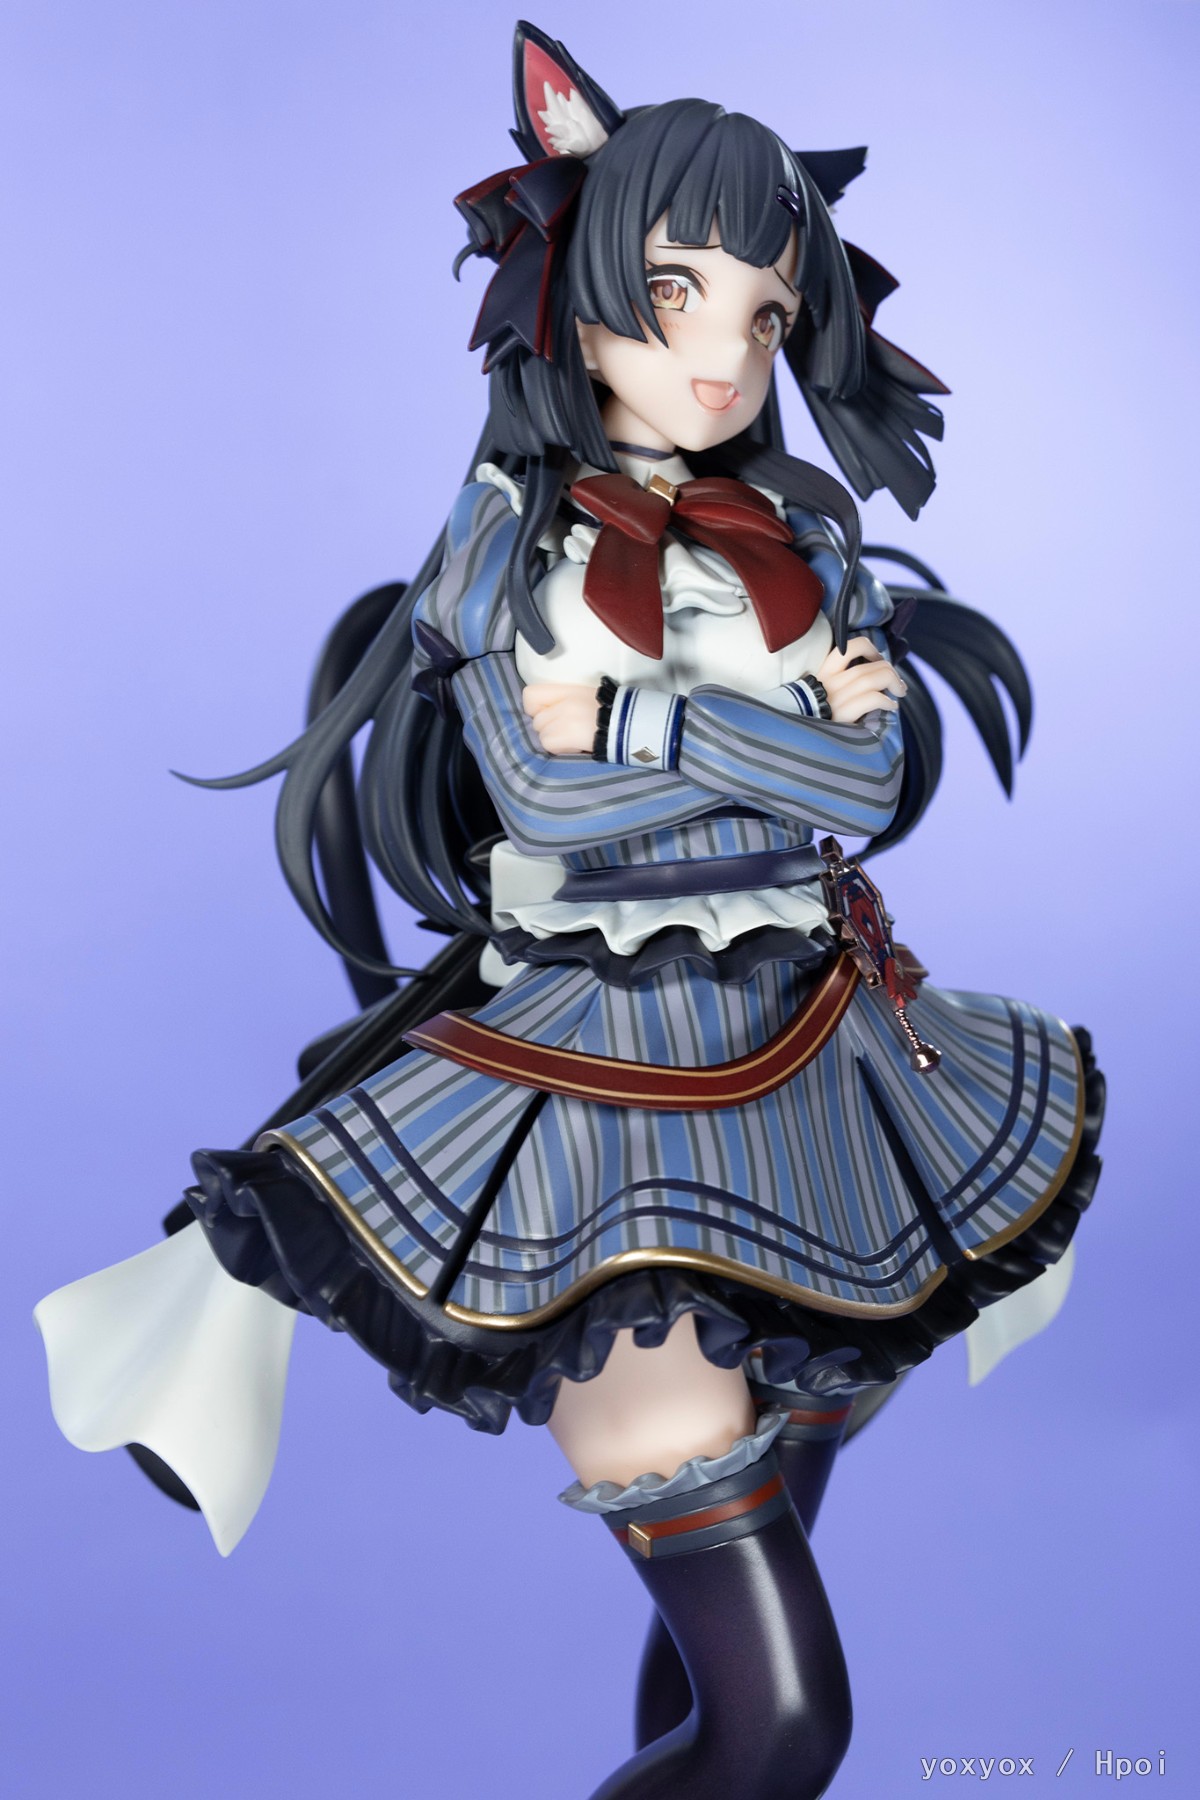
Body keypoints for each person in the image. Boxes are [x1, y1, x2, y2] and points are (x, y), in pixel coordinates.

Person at [36, 22, 1104, 1799]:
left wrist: (634, 724)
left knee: (721, 1672)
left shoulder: (802, 538)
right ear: (583, 292)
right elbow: (545, 808)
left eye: (764, 311)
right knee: (783, 1726)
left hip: (825, 1070)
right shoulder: (509, 540)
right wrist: (757, 743)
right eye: (677, 293)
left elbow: (859, 787)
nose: (723, 355)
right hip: (602, 1107)